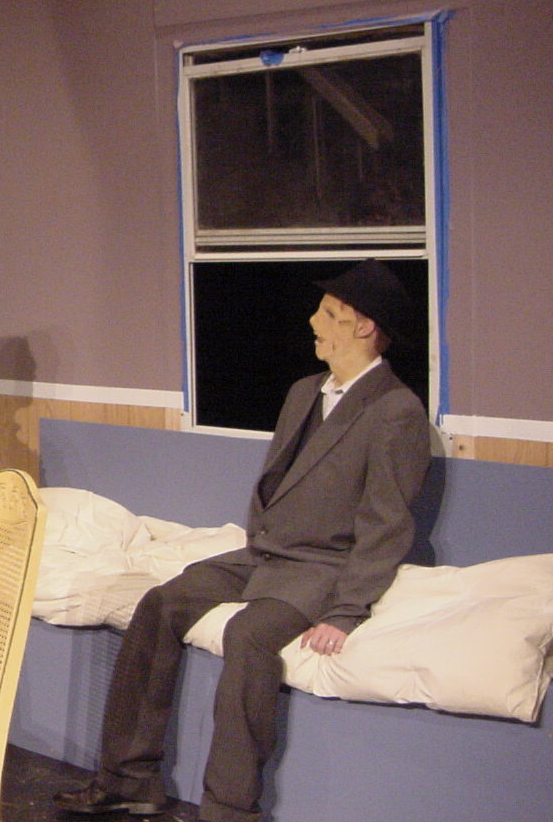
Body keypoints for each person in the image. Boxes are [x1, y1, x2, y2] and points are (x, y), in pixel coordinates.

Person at [55, 259, 431, 822]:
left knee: (248, 634)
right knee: (160, 603)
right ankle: (128, 779)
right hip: (263, 554)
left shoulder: (396, 410)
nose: (313, 321)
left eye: (328, 313)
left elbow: (387, 523)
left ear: (363, 327)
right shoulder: (305, 392)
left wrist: (347, 609)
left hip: (320, 568)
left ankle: (228, 809)